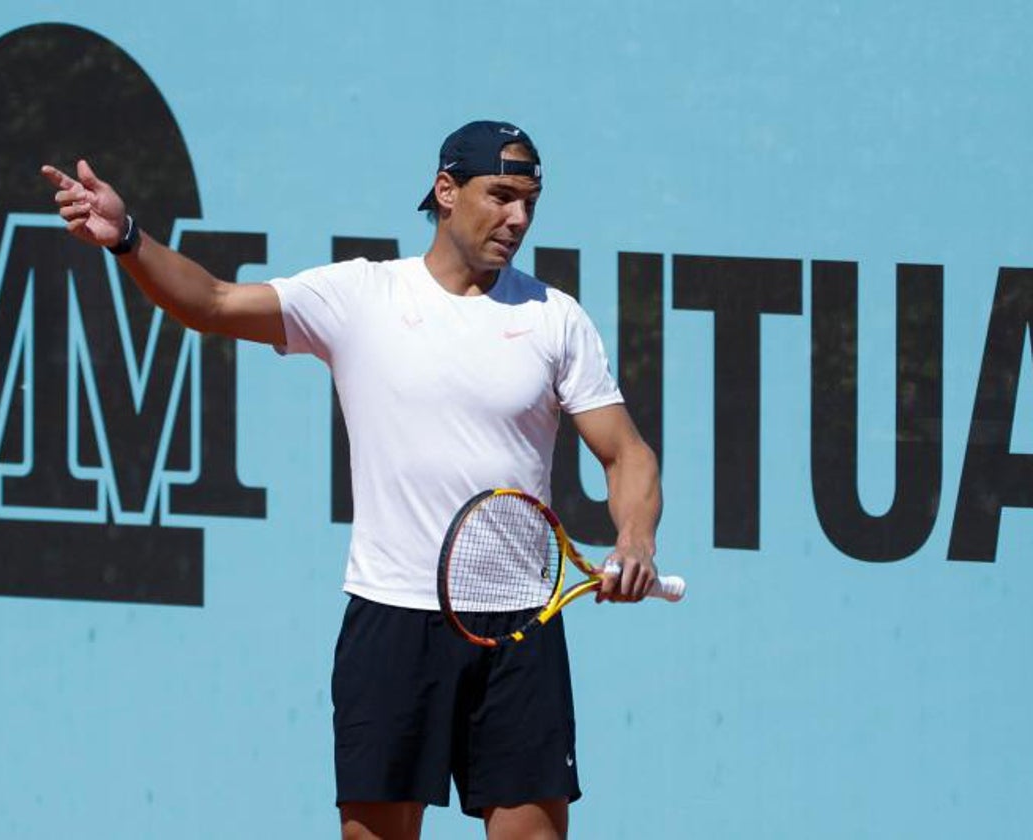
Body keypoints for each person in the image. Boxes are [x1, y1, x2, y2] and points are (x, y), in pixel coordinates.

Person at [42, 120, 662, 840]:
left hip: (522, 624)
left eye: (530, 200)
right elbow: (208, 304)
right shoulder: (360, 296)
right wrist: (126, 239)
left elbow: (627, 454)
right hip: (394, 617)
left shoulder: (556, 319)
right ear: (446, 190)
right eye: (500, 196)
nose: (518, 218)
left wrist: (636, 540)